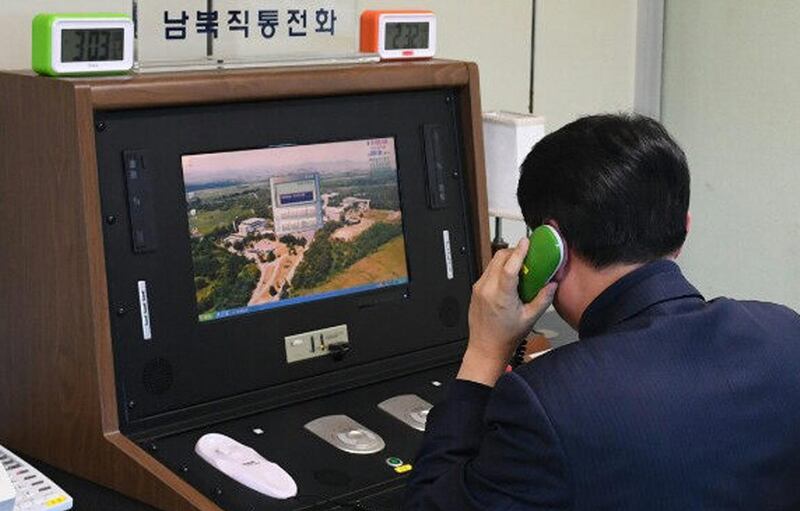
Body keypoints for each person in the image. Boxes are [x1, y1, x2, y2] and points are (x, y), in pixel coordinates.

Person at [404, 114, 800, 510]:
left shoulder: (545, 403)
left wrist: (484, 354)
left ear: (549, 245)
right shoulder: (785, 334)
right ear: (682, 230)